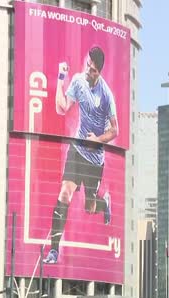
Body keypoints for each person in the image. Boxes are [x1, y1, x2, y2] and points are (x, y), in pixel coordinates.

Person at [43, 46, 118, 264]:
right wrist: (60, 79)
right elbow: (61, 108)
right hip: (76, 150)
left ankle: (103, 203)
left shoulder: (106, 96)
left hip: (95, 160)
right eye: (87, 66)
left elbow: (115, 130)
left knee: (89, 207)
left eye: (93, 70)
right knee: (64, 194)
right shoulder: (77, 81)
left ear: (99, 72)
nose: (88, 71)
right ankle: (54, 250)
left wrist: (98, 140)